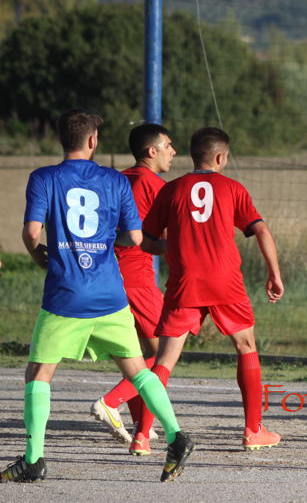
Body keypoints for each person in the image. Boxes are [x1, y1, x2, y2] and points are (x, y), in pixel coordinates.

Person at [2, 109, 193, 483]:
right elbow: (134, 237)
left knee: (38, 373)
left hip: (65, 296)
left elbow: (32, 232)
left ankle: (33, 460)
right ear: (92, 141)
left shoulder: (43, 178)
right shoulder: (115, 180)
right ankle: (176, 436)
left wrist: (39, 255)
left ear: (62, 139)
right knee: (138, 370)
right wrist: (105, 240)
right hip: (110, 296)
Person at [134, 126, 283, 454]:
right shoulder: (233, 188)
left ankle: (142, 435)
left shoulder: (171, 189)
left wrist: (172, 246)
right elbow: (261, 230)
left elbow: (144, 240)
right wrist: (274, 274)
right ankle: (253, 430)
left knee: (164, 359)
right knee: (246, 347)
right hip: (225, 280)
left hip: (185, 281)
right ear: (220, 158)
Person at [91, 124, 176, 445]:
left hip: (106, 274)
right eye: (168, 145)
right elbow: (163, 239)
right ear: (151, 151)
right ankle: (111, 402)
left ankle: (142, 421)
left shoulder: (116, 179)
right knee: (165, 351)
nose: (173, 152)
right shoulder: (154, 185)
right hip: (136, 277)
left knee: (138, 355)